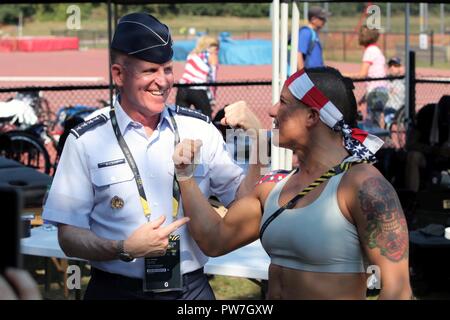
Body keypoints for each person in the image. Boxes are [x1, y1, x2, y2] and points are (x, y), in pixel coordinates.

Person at [42, 12, 263, 300]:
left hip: (190, 289)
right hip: (116, 289)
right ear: (119, 74)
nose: (162, 82)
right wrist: (123, 248)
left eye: (168, 69)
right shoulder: (86, 140)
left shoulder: (199, 128)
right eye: (149, 71)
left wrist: (258, 142)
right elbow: (68, 236)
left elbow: (245, 202)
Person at [173, 67, 412, 300]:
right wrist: (185, 176)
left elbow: (398, 291)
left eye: (284, 102)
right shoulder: (275, 186)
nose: (272, 111)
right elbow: (214, 240)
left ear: (312, 116)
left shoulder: (363, 185)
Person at [405, 96, 450, 192]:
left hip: (445, 156)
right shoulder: (426, 113)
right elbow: (410, 144)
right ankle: (413, 197)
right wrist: (434, 150)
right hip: (427, 156)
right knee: (413, 157)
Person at [176, 35, 219, 118]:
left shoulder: (192, 54)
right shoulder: (212, 56)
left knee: (180, 118)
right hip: (198, 89)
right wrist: (212, 98)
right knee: (207, 118)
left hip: (182, 88)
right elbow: (212, 79)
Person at [296, 6, 330, 70]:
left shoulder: (313, 33)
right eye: (322, 18)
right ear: (313, 19)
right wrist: (303, 76)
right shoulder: (306, 32)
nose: (325, 21)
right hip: (309, 75)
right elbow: (298, 54)